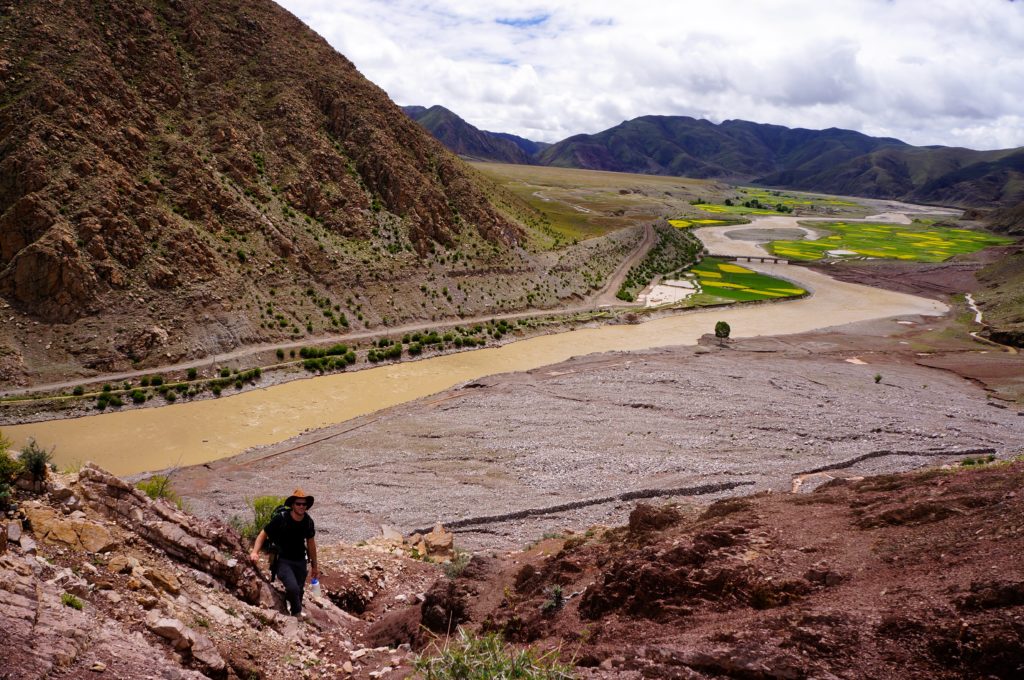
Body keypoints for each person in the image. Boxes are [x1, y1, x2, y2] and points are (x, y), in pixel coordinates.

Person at [249, 488, 319, 618]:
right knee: (293, 588)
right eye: (298, 503)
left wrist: (315, 566)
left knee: (299, 589)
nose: (302, 506)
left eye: (304, 504)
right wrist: (254, 552)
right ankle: (297, 614)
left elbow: (311, 544)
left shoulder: (308, 522)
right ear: (292, 505)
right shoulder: (281, 519)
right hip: (283, 560)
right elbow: (263, 534)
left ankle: (292, 608)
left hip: (300, 560)